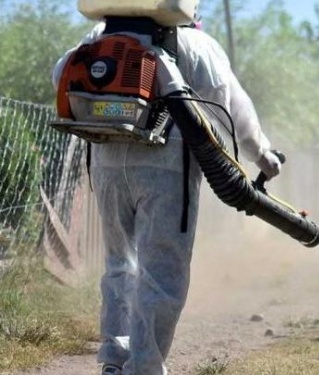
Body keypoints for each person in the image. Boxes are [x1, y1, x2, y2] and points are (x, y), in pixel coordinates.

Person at [51, 4, 282, 375]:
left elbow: (61, 73)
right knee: (161, 272)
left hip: (107, 163)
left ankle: (114, 358)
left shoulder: (100, 36)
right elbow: (231, 107)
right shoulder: (196, 44)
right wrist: (264, 155)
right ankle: (143, 367)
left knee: (118, 264)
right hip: (166, 168)